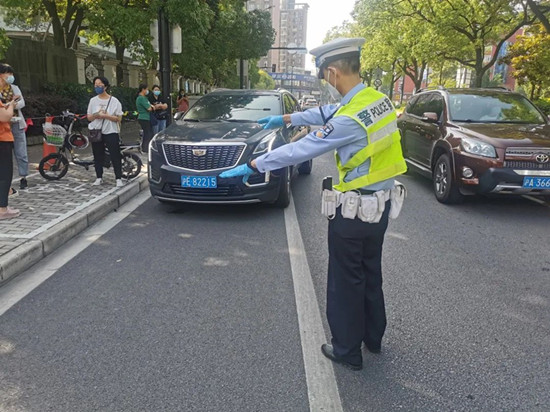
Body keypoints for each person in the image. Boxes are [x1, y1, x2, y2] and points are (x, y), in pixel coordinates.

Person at [219, 37, 407, 371]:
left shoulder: (349, 119)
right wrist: (286, 119)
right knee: (370, 272)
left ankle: (347, 350)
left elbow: (301, 149)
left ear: (333, 72)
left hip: (353, 213)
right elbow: (325, 112)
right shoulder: (376, 101)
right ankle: (373, 337)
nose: (326, 83)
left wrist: (254, 164)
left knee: (345, 281)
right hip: (380, 208)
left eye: (324, 77)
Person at [87, 76, 125, 187]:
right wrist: (97, 115)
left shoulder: (114, 101)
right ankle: (99, 177)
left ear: (105, 86)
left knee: (115, 154)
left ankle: (118, 178)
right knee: (97, 155)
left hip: (111, 131)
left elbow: (119, 118)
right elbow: (89, 117)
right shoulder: (93, 101)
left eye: (100, 85)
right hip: (96, 131)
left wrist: (106, 116)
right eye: (95, 85)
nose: (97, 87)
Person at [0, 64, 28, 190]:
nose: (10, 76)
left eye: (11, 74)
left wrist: (13, 105)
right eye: (8, 73)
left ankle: (23, 176)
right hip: (3, 125)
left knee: (21, 151)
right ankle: (6, 182)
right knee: (5, 156)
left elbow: (22, 103)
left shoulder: (14, 88)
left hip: (16, 122)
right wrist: (10, 103)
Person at [0, 66, 20, 220]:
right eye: (8, 74)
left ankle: (4, 206)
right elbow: (5, 117)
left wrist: (8, 105)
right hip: (2, 138)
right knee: (5, 174)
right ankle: (2, 209)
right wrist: (12, 105)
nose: (11, 77)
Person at [136, 83, 154, 152]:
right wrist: (153, 107)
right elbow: (149, 108)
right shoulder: (141, 98)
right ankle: (145, 148)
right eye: (146, 89)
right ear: (143, 89)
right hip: (144, 118)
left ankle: (146, 147)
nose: (147, 91)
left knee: (148, 133)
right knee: (147, 134)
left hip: (147, 117)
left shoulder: (144, 98)